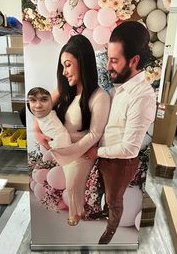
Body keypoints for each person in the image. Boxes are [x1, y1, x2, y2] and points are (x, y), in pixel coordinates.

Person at [84, 21, 156, 244]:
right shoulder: (121, 87)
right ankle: (106, 213)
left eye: (114, 61)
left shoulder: (141, 97)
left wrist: (97, 152)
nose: (108, 67)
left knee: (115, 199)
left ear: (134, 61)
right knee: (105, 192)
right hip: (106, 156)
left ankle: (111, 229)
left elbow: (129, 148)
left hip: (120, 162)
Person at [36, 34, 110, 227]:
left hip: (83, 152)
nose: (64, 71)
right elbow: (40, 109)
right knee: (69, 179)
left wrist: (70, 153)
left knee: (74, 181)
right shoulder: (67, 92)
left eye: (68, 65)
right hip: (65, 149)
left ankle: (76, 214)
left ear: (83, 62)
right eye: (62, 66)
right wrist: (37, 132)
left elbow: (95, 134)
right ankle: (75, 210)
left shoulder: (99, 97)